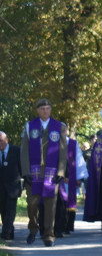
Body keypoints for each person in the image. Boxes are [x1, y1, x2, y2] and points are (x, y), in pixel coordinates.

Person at [21, 98, 68, 247]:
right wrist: (25, 171)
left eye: (47, 108)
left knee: (50, 204)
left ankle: (48, 235)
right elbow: (24, 151)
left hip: (51, 171)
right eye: (42, 109)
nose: (45, 111)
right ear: (37, 110)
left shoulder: (58, 126)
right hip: (34, 171)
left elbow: (62, 150)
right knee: (32, 204)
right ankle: (33, 229)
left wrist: (61, 172)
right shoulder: (30, 126)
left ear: (51, 110)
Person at [0, 131, 23, 240]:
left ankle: (5, 233)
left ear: (7, 140)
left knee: (10, 211)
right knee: (4, 211)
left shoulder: (16, 151)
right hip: (1, 188)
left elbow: (22, 167)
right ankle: (10, 232)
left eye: (1, 141)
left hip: (13, 187)